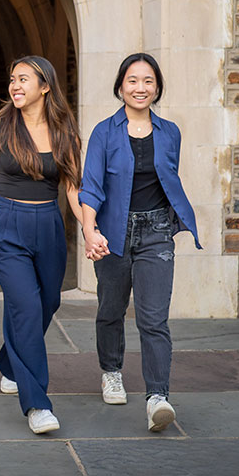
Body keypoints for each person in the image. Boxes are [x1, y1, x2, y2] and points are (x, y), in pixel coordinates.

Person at [0, 55, 93, 434]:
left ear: (45, 87)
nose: (15, 86)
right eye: (13, 80)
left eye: (24, 79)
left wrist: (89, 228)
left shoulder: (65, 129)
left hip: (49, 223)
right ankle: (37, 404)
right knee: (27, 307)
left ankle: (8, 362)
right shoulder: (1, 126)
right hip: (8, 226)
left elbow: (72, 186)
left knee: (48, 301)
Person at [80, 53, 201, 432]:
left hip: (156, 233)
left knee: (153, 318)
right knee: (111, 309)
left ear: (157, 88)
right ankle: (111, 371)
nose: (140, 88)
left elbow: (167, 180)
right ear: (121, 87)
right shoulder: (104, 131)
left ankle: (157, 398)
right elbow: (91, 187)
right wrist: (90, 230)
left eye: (148, 81)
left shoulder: (170, 132)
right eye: (133, 81)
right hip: (113, 233)